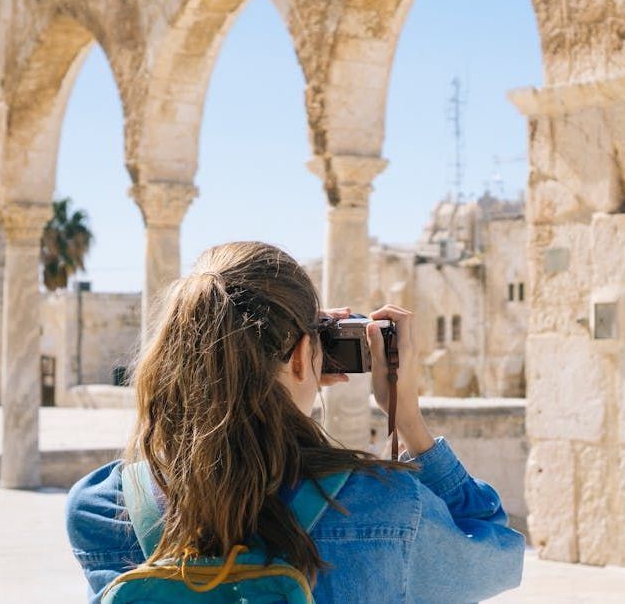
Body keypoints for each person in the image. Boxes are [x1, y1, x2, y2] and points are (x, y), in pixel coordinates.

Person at [66, 241, 524, 603]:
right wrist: (410, 424)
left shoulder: (100, 507)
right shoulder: (384, 507)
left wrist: (300, 348)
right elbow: (498, 553)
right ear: (305, 354)